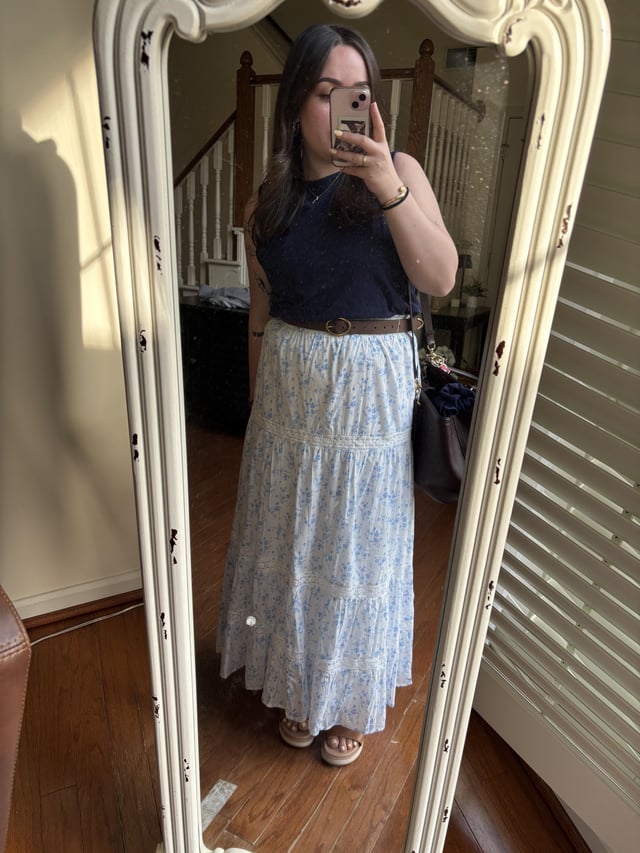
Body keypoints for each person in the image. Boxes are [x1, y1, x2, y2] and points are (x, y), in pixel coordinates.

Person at [216, 23, 457, 766]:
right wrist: (257, 409)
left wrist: (387, 186)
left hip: (368, 402)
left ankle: (348, 699)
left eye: (357, 93)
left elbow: (440, 275)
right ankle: (299, 684)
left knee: (356, 550)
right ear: (295, 106)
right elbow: (261, 315)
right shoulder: (267, 205)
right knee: (294, 545)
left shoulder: (400, 172)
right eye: (325, 93)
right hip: (288, 401)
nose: (343, 109)